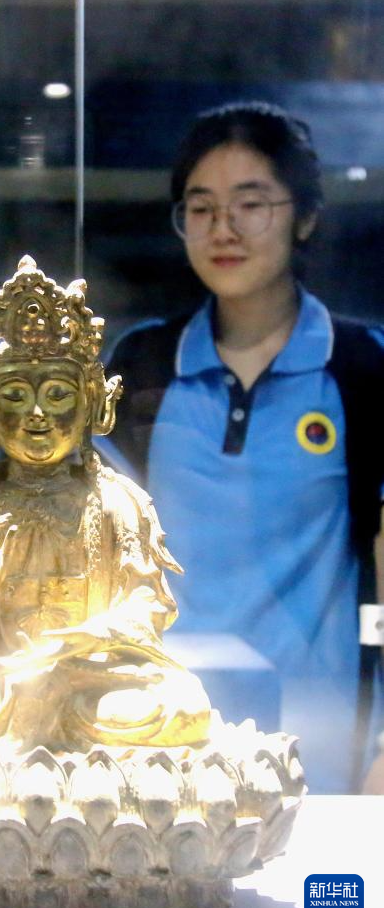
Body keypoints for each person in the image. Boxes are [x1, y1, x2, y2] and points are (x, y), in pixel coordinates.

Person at [103, 101, 384, 793]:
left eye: (251, 204)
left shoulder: (361, 367)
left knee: (320, 872)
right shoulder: (141, 365)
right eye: (201, 208)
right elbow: (96, 559)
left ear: (304, 217)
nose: (223, 229)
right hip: (162, 752)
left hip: (319, 754)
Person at [0, 257, 211, 752]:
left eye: (57, 394)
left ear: (94, 406)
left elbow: (147, 603)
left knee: (183, 711)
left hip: (89, 677)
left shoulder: (117, 500)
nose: (36, 414)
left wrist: (94, 635)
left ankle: (48, 716)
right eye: (14, 395)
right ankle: (38, 720)